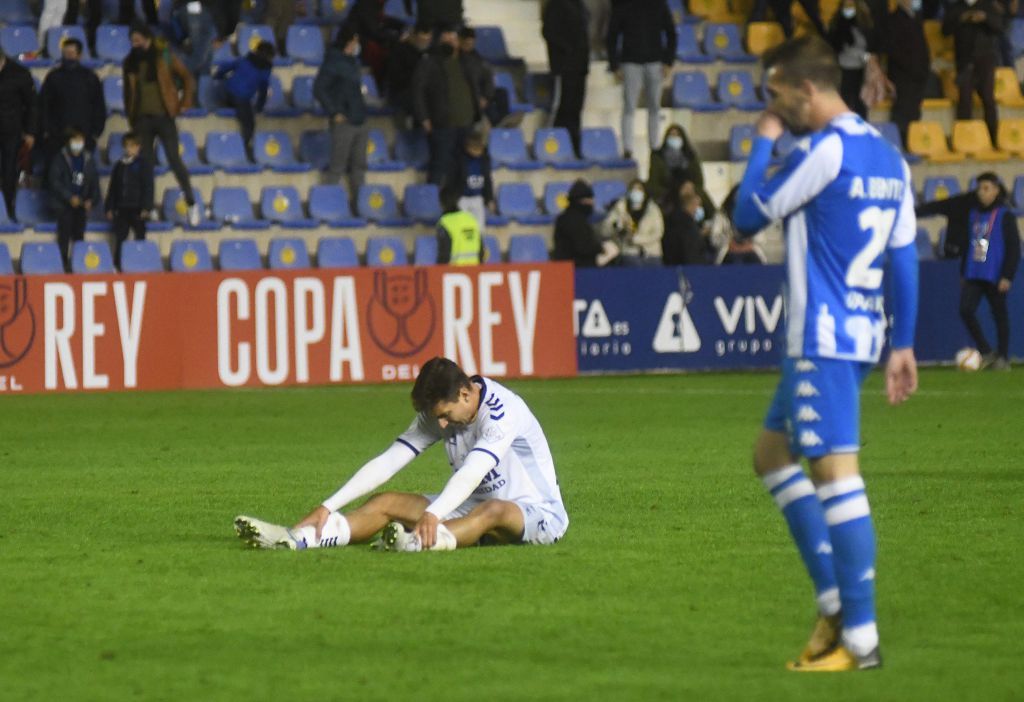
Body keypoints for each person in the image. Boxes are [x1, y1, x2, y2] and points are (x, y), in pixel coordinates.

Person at [731, 36, 919, 672]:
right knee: (772, 454)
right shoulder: (889, 156)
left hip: (823, 338)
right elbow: (903, 255)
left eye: (775, 96)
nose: (774, 106)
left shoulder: (823, 150)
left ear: (803, 88)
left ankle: (859, 639)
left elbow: (747, 217)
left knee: (837, 475)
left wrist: (762, 140)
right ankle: (835, 599)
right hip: (861, 334)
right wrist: (905, 341)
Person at [234, 356, 569, 552]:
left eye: (444, 414)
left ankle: (419, 543)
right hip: (470, 506)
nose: (440, 423)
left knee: (494, 509)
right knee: (385, 502)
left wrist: (434, 513)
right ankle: (297, 539)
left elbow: (473, 472)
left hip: (536, 513)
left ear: (466, 393)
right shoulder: (443, 410)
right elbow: (390, 460)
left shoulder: (503, 412)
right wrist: (327, 505)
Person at [920, 174, 1019, 368]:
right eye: (980, 188)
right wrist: (964, 271)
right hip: (974, 272)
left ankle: (1003, 357)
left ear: (996, 190)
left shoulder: (1004, 215)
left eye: (986, 188)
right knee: (965, 310)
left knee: (999, 314)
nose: (982, 192)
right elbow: (968, 244)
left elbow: (1013, 248)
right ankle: (986, 351)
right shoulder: (972, 214)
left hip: (995, 273)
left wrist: (1007, 275)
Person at [123, 25, 200, 227]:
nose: (135, 44)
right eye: (133, 41)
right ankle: (148, 207)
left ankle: (191, 202)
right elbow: (128, 94)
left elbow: (187, 77)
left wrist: (185, 102)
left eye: (138, 40)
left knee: (174, 159)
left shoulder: (163, 56)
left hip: (165, 116)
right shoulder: (129, 63)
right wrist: (131, 117)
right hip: (142, 120)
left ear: (147, 38)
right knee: (146, 165)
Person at [605, 0, 677, 158]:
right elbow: (612, 35)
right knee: (629, 106)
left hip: (655, 63)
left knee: (654, 107)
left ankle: (654, 146)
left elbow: (671, 33)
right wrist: (614, 65)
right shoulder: (623, 5)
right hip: (631, 63)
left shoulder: (659, 4)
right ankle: (628, 148)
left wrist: (668, 61)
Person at [412, 26, 480, 189]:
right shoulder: (429, 62)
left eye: (453, 39)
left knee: (464, 166)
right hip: (442, 124)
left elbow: (476, 83)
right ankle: (432, 202)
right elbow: (417, 90)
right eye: (446, 39)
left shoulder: (466, 61)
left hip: (466, 123)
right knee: (439, 164)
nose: (450, 42)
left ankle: (460, 200)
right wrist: (424, 118)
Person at [314, 24, 369, 202]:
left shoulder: (352, 62)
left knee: (359, 165)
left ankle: (360, 205)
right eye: (355, 41)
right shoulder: (333, 62)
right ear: (349, 41)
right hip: (344, 121)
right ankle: (327, 203)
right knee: (337, 166)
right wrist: (334, 112)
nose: (357, 45)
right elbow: (319, 88)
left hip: (360, 118)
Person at [38, 38, 107, 173]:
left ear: (79, 55)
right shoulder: (53, 77)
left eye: (71, 53)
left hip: (84, 137)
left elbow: (99, 107)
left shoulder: (90, 78)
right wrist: (47, 131)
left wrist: (95, 132)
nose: (68, 56)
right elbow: (43, 106)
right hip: (56, 138)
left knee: (82, 176)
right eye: (65, 53)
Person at [944, 0, 1006, 144]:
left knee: (988, 99)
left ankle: (994, 138)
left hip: (986, 59)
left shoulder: (988, 5)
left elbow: (1000, 27)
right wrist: (962, 18)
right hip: (964, 60)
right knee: (965, 100)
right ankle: (964, 140)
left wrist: (985, 18)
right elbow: (945, 30)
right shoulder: (956, 8)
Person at [48, 128, 101, 270]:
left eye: (80, 140)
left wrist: (92, 200)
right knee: (64, 236)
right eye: (75, 140)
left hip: (81, 206)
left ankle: (78, 265)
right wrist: (69, 197)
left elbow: (94, 183)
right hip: (64, 206)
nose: (78, 143)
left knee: (79, 236)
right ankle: (63, 265)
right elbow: (54, 182)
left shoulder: (88, 159)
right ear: (69, 142)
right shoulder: (60, 158)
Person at [543, 0, 590, 157]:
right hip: (564, 67)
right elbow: (548, 31)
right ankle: (552, 144)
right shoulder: (556, 4)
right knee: (561, 106)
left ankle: (574, 144)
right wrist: (567, 49)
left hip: (580, 67)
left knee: (576, 108)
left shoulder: (580, 5)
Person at [882, 0, 930, 147]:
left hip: (918, 75)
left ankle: (912, 144)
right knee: (902, 114)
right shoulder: (892, 19)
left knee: (914, 113)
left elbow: (923, 46)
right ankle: (900, 146)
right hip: (902, 75)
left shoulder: (916, 17)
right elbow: (893, 50)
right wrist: (910, 66)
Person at [215, 41, 276, 157]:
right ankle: (245, 149)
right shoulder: (265, 70)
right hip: (241, 100)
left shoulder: (245, 59)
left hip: (226, 92)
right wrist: (259, 107)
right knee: (250, 124)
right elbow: (263, 90)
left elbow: (226, 68)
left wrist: (218, 77)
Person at [105, 132, 154, 270]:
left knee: (140, 236)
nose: (129, 149)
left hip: (138, 207)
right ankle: (118, 265)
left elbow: (148, 186)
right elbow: (113, 188)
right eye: (127, 146)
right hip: (122, 207)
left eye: (132, 146)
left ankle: (139, 263)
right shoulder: (119, 166)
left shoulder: (144, 164)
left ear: (138, 147)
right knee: (120, 237)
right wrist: (109, 207)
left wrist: (146, 207)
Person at [0, 51, 37, 223]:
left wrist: (30, 131)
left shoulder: (20, 74)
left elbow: (32, 106)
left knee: (9, 171)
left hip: (11, 132)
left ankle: (8, 209)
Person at [826, 0, 879, 118]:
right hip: (843, 70)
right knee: (843, 104)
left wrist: (867, 57)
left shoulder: (865, 23)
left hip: (861, 71)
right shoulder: (837, 23)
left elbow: (872, 45)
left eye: (851, 5)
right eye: (846, 5)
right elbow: (834, 45)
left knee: (860, 105)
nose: (848, 8)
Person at [553, 178, 614, 267]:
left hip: (568, 267)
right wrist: (603, 248)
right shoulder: (575, 220)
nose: (592, 202)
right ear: (581, 200)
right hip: (577, 270)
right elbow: (584, 246)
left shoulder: (565, 218)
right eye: (589, 199)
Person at [602, 178, 664, 265]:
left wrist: (637, 239)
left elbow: (658, 233)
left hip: (651, 254)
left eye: (639, 189)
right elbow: (605, 229)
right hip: (629, 253)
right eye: (633, 189)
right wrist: (617, 225)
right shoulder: (621, 207)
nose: (636, 193)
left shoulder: (653, 209)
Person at [384, 22, 433, 130]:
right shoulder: (400, 50)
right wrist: (417, 78)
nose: (425, 43)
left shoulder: (431, 52)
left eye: (428, 40)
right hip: (403, 92)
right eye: (422, 40)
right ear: (414, 36)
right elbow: (395, 78)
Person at [646, 124, 706, 208]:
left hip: (688, 197)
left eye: (677, 135)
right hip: (666, 199)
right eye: (671, 135)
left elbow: (699, 184)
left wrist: (691, 190)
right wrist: (674, 193)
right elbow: (653, 185)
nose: (674, 138)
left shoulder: (691, 157)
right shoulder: (657, 157)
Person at [450, 131, 494, 233]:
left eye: (479, 149)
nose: (478, 152)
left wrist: (489, 198)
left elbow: (487, 179)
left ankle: (479, 248)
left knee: (479, 229)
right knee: (462, 228)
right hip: (462, 198)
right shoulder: (459, 160)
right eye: (475, 149)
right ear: (468, 148)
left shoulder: (484, 160)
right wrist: (454, 199)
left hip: (478, 198)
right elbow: (453, 180)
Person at [170, 0, 218, 80]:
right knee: (201, 53)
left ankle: (196, 78)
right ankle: (185, 71)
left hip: (197, 9)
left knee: (205, 52)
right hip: (194, 9)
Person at [458, 27, 496, 127]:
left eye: (471, 44)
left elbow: (488, 80)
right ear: (460, 41)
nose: (469, 46)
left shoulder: (479, 60)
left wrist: (486, 97)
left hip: (477, 100)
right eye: (466, 44)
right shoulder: (454, 60)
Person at [436, 188, 484, 265]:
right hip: (474, 270)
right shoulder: (471, 219)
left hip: (454, 272)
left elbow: (444, 254)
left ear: (441, 203)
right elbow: (481, 251)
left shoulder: (444, 222)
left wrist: (437, 273)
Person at [661, 187, 707, 266]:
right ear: (691, 206)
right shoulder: (688, 226)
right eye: (698, 205)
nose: (699, 209)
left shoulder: (672, 219)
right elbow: (691, 251)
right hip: (689, 269)